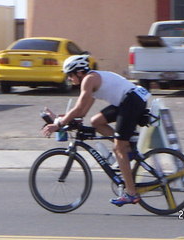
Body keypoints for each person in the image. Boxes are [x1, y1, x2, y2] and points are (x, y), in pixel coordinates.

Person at [42, 55, 151, 206]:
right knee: (96, 122)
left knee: (118, 148)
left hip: (131, 101)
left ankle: (131, 193)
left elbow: (79, 108)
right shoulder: (91, 81)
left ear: (79, 72)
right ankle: (126, 148)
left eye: (70, 75)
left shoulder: (89, 79)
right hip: (128, 100)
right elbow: (81, 113)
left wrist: (59, 124)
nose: (69, 79)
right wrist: (58, 119)